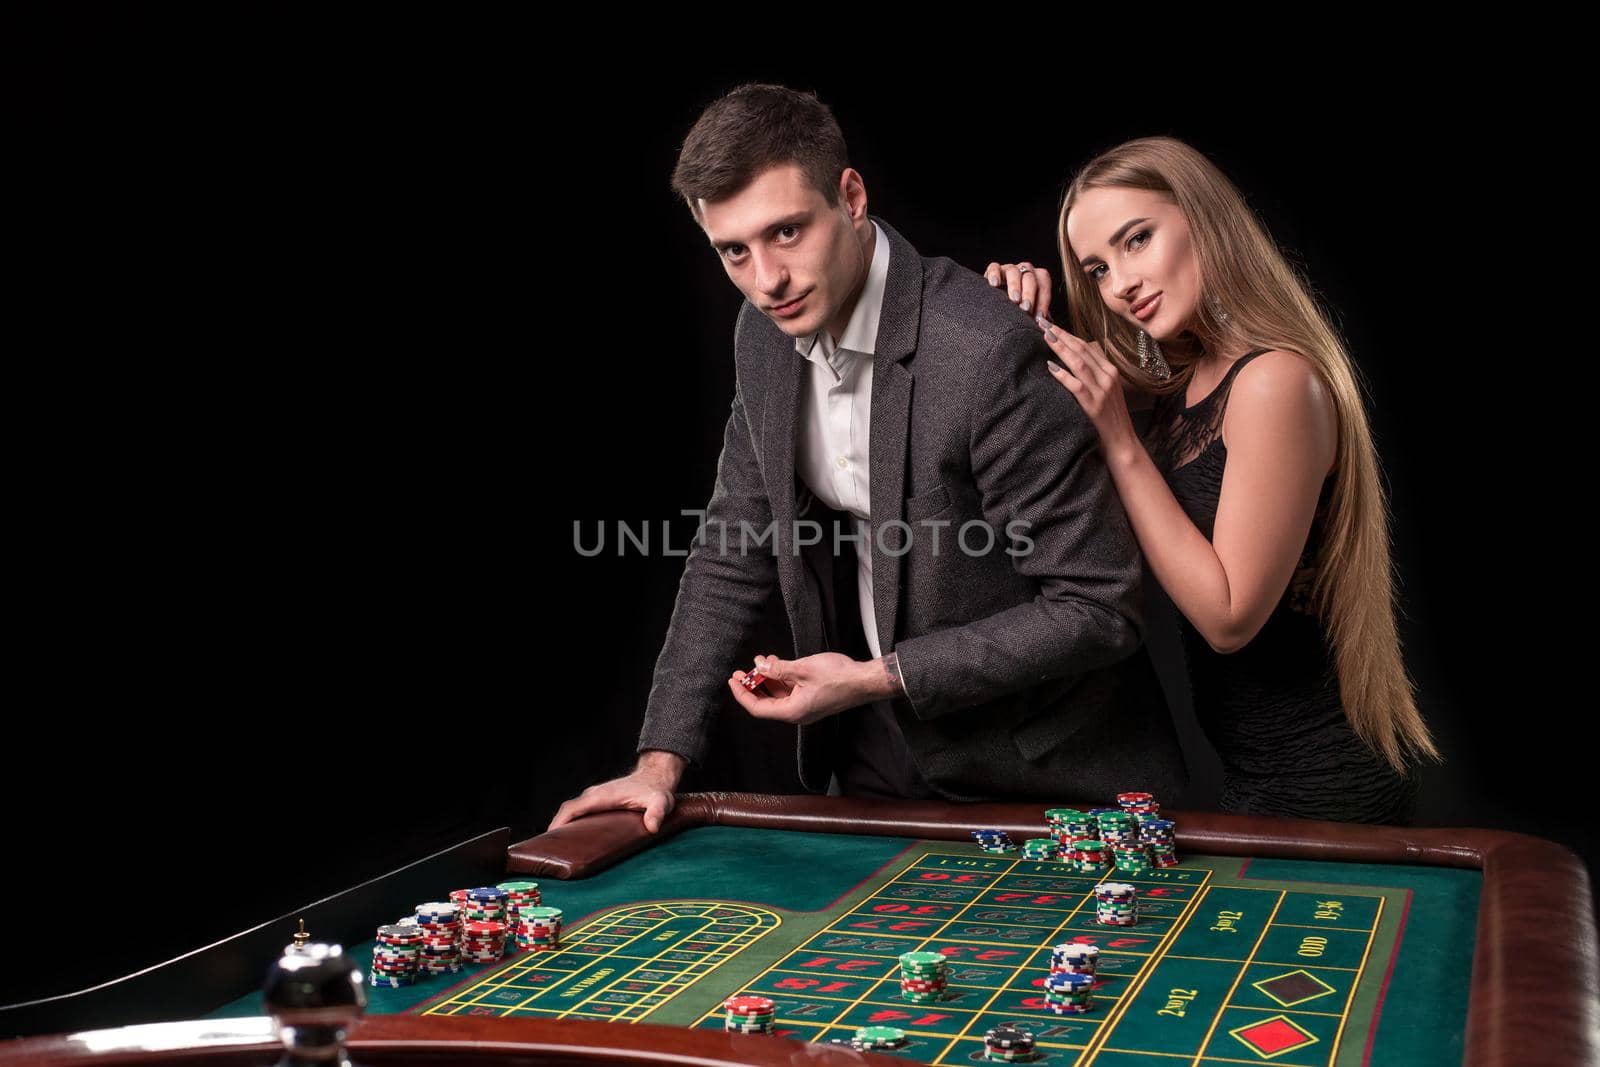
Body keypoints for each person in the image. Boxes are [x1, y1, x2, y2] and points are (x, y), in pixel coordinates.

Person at [549, 85, 1186, 834]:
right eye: (734, 251)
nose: (766, 281)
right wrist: (658, 761)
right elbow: (732, 546)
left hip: (1043, 773)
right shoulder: (762, 336)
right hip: (877, 758)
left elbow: (1098, 605)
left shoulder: (985, 351)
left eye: (786, 232)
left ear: (850, 197)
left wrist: (875, 677)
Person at [984, 136, 1439, 823]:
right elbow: (1055, 389)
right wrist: (1015, 311)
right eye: (1098, 268)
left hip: (1327, 790)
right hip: (1249, 780)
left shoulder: (1276, 381)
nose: (1121, 284)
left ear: (1204, 218)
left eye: (1137, 240)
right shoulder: (1180, 388)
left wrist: (1119, 441)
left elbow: (1229, 618)